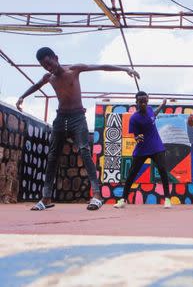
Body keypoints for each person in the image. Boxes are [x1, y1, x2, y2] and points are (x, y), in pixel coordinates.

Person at [16, 47, 140, 211]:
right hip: (61, 118)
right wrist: (22, 97)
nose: (48, 67)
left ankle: (97, 195)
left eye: (48, 63)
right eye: (44, 66)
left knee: (84, 150)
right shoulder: (48, 78)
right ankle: (46, 198)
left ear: (56, 57)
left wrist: (125, 69)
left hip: (77, 117)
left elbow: (102, 67)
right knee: (53, 155)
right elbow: (36, 86)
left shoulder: (74, 70)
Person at [114, 92, 171, 209]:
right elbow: (136, 136)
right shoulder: (134, 118)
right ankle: (122, 200)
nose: (143, 103)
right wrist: (137, 137)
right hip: (142, 148)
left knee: (163, 170)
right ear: (136, 103)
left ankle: (167, 199)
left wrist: (162, 104)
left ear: (148, 100)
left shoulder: (150, 109)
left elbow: (154, 115)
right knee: (132, 173)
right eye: (141, 101)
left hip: (156, 146)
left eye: (145, 101)